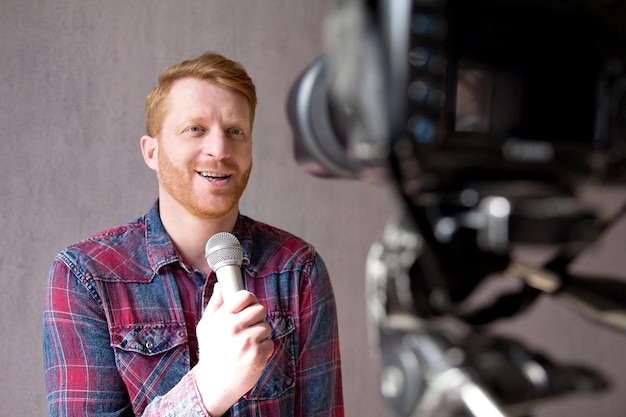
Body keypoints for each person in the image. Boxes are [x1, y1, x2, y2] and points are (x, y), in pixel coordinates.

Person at [42, 51, 344, 417]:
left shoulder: (298, 270)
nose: (219, 150)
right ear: (151, 152)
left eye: (235, 131)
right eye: (195, 129)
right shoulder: (85, 276)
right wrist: (207, 390)